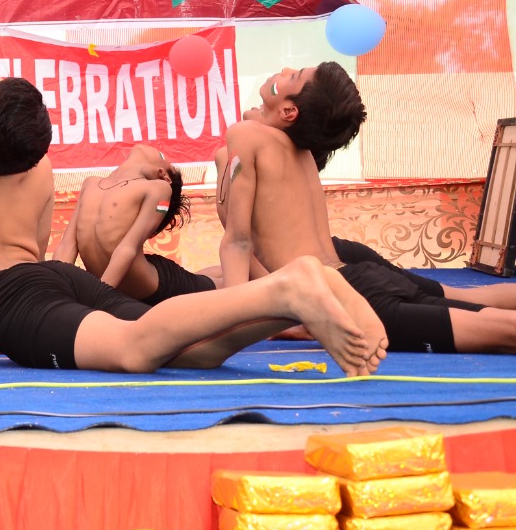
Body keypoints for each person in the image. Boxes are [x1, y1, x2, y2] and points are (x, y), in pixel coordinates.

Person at [0, 77, 387, 378]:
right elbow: (34, 255)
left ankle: (288, 287)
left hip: (2, 298)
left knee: (136, 352)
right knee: (190, 353)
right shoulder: (38, 168)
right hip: (51, 282)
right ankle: (291, 300)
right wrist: (31, 322)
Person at [217, 62, 516, 353]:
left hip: (344, 294)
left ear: (289, 111)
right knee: (491, 319)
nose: (283, 70)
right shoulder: (300, 149)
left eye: (293, 75)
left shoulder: (247, 135)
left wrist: (224, 326)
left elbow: (238, 242)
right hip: (355, 280)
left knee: (502, 331)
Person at [50, 144, 214, 303]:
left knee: (217, 285)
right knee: (205, 279)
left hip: (157, 283)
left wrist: (98, 297)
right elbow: (67, 246)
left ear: (164, 175)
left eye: (163, 157)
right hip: (114, 284)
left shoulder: (159, 188)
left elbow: (127, 248)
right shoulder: (90, 183)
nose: (157, 151)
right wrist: (57, 291)